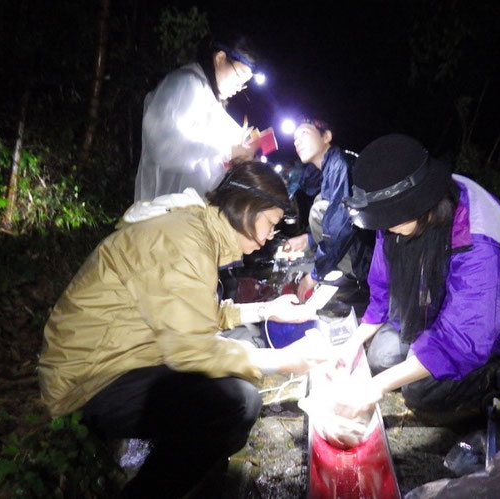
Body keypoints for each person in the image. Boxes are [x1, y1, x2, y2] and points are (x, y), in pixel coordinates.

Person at [38, 161, 327, 497]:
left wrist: (266, 310)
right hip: (90, 379)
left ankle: (198, 463)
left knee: (239, 348)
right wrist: (284, 361)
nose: (267, 238)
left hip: (126, 353)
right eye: (270, 224)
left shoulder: (195, 229)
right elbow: (192, 348)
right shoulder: (182, 240)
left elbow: (194, 316)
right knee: (238, 402)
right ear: (248, 207)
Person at [332, 134, 500, 423]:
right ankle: (422, 356)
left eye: (391, 220)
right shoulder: (394, 217)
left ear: (420, 204)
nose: (385, 229)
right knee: (380, 358)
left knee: (420, 392)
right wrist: (352, 343)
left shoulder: (478, 237)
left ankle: (491, 376)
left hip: (483, 324)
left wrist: (374, 388)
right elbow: (382, 290)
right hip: (426, 308)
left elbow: (462, 335)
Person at [133, 35, 259, 202]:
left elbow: (207, 164)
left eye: (244, 83)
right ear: (220, 58)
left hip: (188, 212)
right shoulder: (186, 83)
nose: (239, 87)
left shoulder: (211, 98)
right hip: (163, 209)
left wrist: (238, 153)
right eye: (239, 75)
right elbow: (164, 145)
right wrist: (227, 151)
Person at [284, 117, 372, 302]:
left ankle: (351, 276)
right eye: (294, 140)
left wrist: (315, 275)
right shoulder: (328, 169)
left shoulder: (340, 164)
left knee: (319, 208)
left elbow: (341, 225)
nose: (297, 142)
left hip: (367, 259)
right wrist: (307, 239)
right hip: (359, 247)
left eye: (304, 134)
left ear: (326, 137)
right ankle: (339, 269)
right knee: (320, 201)